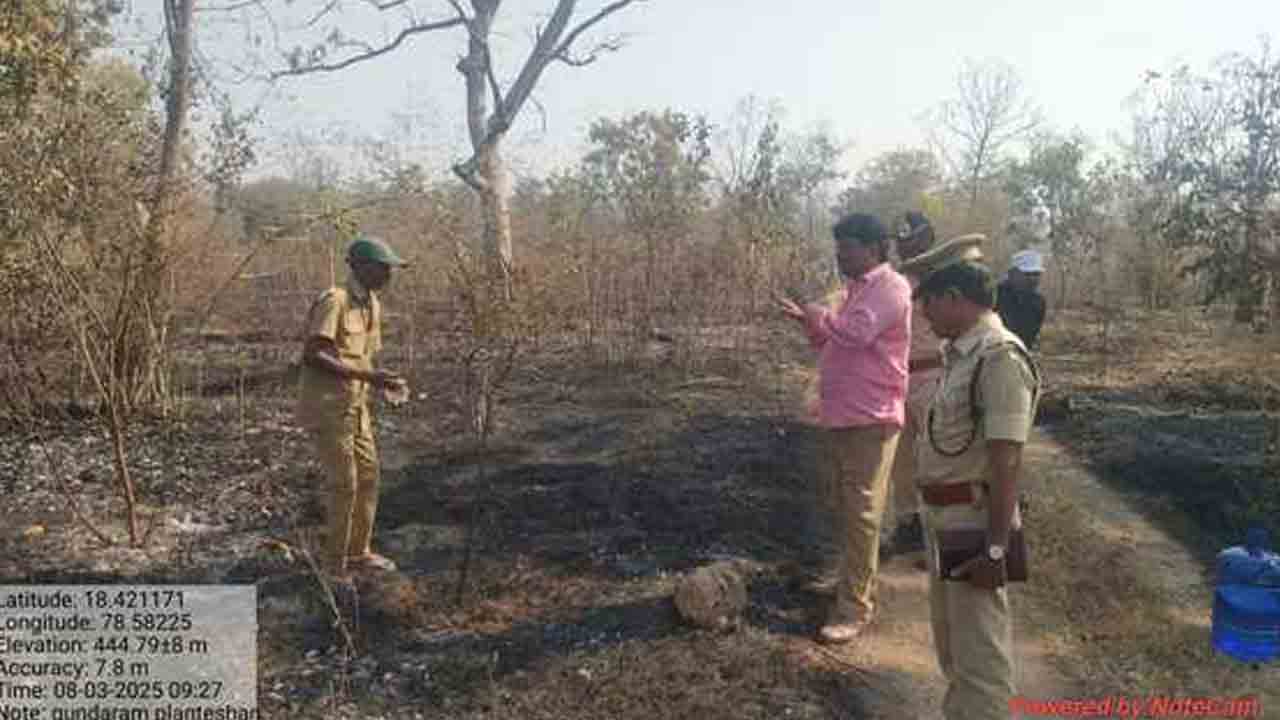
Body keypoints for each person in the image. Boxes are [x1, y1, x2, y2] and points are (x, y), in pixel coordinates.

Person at [899, 238, 1041, 720]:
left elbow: (1006, 462)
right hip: (945, 519)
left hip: (973, 525)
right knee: (954, 651)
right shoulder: (962, 354)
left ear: (955, 297)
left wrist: (996, 550)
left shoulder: (999, 357)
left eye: (929, 302)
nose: (924, 315)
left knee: (980, 663)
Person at [777, 213, 912, 644]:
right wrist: (810, 322)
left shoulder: (891, 286)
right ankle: (848, 583)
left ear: (872, 248)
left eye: (847, 248)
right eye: (839, 248)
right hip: (843, 415)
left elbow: (855, 334)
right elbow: (833, 341)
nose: (840, 256)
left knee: (862, 514)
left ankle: (855, 607)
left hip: (871, 417)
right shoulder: (856, 290)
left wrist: (820, 314)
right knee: (843, 505)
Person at [297, 234, 410, 581]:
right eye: (382, 268)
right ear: (360, 267)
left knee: (369, 477)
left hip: (356, 407)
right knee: (344, 484)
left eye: (390, 269)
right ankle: (333, 567)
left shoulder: (372, 304)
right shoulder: (336, 301)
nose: (388, 275)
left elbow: (362, 357)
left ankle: (359, 553)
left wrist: (383, 383)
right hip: (327, 408)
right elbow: (314, 354)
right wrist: (367, 376)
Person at [880, 211, 950, 560]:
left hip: (933, 375)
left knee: (941, 456)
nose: (904, 246)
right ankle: (908, 525)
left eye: (911, 239)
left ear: (928, 237)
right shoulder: (894, 280)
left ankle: (945, 534)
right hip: (899, 378)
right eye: (901, 240)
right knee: (901, 460)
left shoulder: (943, 278)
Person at [996, 249, 1047, 349]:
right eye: (1027, 274)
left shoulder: (1038, 303)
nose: (1032, 279)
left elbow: (1030, 337)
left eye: (1036, 274)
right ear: (1012, 273)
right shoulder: (994, 296)